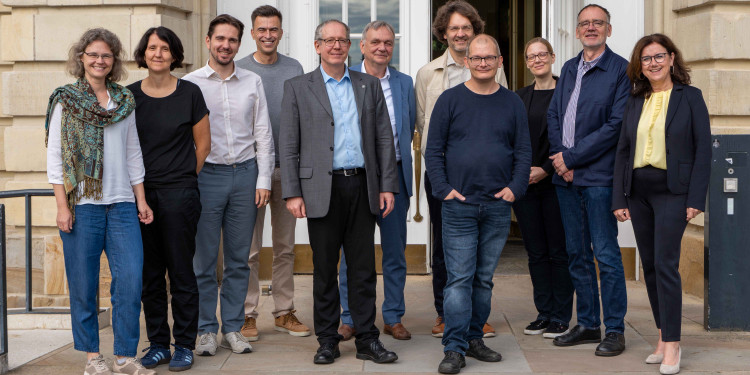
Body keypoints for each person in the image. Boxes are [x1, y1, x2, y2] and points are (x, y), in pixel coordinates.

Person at [279, 19, 399, 365]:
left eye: (342, 40)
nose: (335, 46)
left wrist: (387, 185)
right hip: (320, 189)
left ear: (350, 46)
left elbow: (383, 140)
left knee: (362, 268)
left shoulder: (368, 85)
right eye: (328, 40)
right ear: (317, 46)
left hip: (362, 186)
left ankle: (367, 339)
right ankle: (328, 340)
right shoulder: (298, 87)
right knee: (324, 269)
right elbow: (289, 145)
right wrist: (292, 192)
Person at [45, 28, 156, 375]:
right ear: (81, 58)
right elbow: (55, 159)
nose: (99, 60)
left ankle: (124, 356)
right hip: (83, 205)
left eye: (106, 55)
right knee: (83, 284)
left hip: (123, 204)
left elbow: (134, 153)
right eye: (93, 54)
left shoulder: (124, 101)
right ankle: (93, 358)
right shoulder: (65, 100)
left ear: (114, 61)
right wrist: (63, 207)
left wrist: (141, 200)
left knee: (131, 281)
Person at [425, 34, 531, 374]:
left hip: (498, 206)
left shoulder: (513, 102)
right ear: (467, 61)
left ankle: (474, 338)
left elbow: (523, 151)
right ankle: (454, 348)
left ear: (500, 62)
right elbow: (433, 149)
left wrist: (515, 188)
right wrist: (443, 188)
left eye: (489, 58)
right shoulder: (449, 100)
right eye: (476, 58)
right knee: (458, 279)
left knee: (483, 279)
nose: (483, 63)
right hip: (459, 205)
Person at [613, 34, 710, 375]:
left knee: (666, 264)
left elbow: (702, 152)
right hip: (638, 191)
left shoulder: (690, 97)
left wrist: (696, 198)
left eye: (658, 57)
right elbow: (623, 150)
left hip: (673, 192)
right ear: (639, 66)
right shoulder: (635, 98)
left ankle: (673, 344)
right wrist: (618, 197)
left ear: (671, 58)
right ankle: (661, 336)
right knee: (650, 266)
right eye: (645, 59)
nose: (652, 63)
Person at [415, 0, 507, 338]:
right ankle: (445, 313)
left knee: (482, 252)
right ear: (444, 33)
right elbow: (425, 126)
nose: (460, 33)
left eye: (466, 28)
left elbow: (504, 114)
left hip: (484, 177)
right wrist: (440, 176)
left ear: (475, 31)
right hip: (444, 178)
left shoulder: (491, 67)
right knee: (445, 247)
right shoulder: (428, 74)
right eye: (453, 28)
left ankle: (476, 317)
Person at [184, 14, 274, 356]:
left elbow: (263, 133)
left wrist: (263, 179)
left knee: (240, 259)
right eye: (220, 38)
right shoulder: (190, 84)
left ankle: (233, 328)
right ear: (208, 41)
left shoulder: (252, 82)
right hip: (206, 177)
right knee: (203, 260)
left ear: (240, 43)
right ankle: (206, 329)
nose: (226, 45)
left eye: (232, 40)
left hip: (245, 176)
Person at [546, 4, 630, 356]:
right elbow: (554, 115)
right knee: (576, 254)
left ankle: (614, 330)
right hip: (565, 179)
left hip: (598, 179)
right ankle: (588, 324)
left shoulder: (622, 70)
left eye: (598, 23)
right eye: (585, 24)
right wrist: (560, 160)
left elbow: (616, 125)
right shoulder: (567, 68)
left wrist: (572, 157)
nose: (591, 28)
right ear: (578, 31)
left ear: (609, 30)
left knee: (606, 255)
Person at [128, 26, 211, 371]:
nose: (157, 53)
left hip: (180, 195)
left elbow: (203, 145)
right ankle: (159, 343)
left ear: (174, 54)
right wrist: (141, 192)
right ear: (143, 54)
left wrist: (184, 178)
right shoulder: (129, 96)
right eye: (151, 48)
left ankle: (185, 345)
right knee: (149, 273)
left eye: (164, 48)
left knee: (181, 272)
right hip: (140, 196)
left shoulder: (189, 93)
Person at [337, 20, 416, 341]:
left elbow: (408, 129)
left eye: (388, 42)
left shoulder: (405, 83)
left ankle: (393, 316)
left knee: (395, 251)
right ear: (363, 46)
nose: (382, 47)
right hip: (357, 176)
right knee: (352, 252)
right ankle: (349, 316)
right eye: (376, 42)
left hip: (395, 174)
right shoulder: (346, 78)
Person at [235, 4, 310, 342]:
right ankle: (247, 315)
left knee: (284, 247)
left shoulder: (294, 67)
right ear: (252, 33)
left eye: (273, 29)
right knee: (248, 250)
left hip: (286, 170)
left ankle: (284, 311)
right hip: (250, 171)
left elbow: (304, 119)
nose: (268, 35)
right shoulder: (239, 69)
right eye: (261, 30)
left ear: (281, 33)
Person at [514, 37, 574, 339]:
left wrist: (546, 169)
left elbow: (571, 137)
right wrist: (523, 172)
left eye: (542, 54)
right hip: (526, 185)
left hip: (557, 182)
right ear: (526, 62)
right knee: (536, 252)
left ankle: (562, 316)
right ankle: (544, 312)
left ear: (552, 57)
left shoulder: (568, 92)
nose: (537, 60)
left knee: (559, 251)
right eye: (531, 56)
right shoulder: (518, 96)